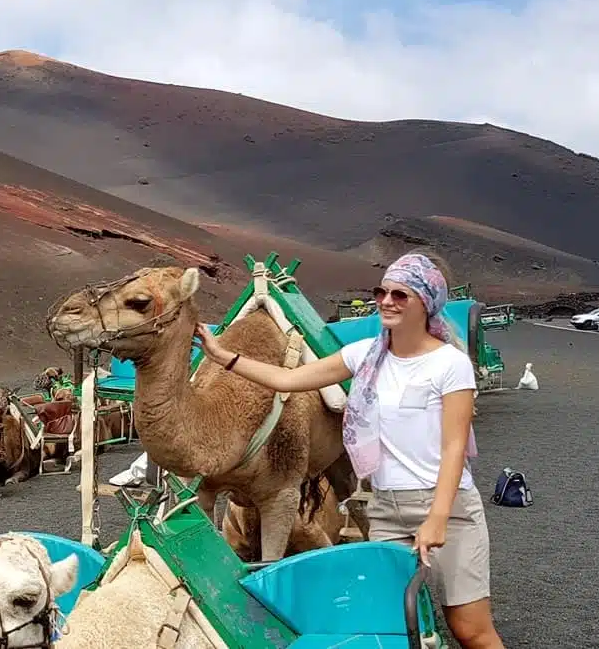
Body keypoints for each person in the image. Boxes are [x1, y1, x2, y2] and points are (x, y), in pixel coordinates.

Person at [194, 251, 505, 649]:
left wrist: (438, 519)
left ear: (426, 302)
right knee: (393, 623)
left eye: (400, 294)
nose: (386, 301)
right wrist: (222, 356)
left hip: (446, 507)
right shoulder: (366, 356)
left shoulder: (448, 364)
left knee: (469, 629)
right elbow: (289, 380)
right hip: (387, 511)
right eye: (382, 292)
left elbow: (455, 444)